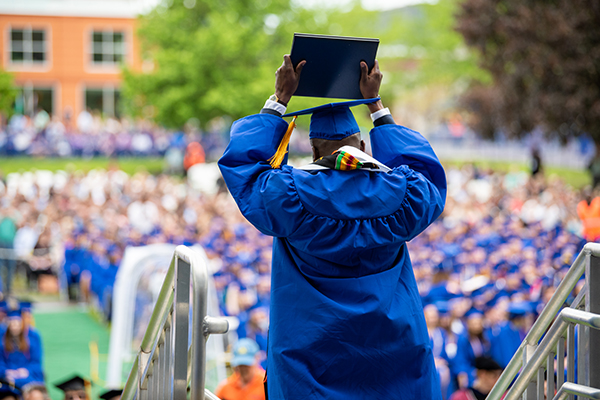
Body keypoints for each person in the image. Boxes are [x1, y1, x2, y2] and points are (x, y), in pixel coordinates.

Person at [218, 55, 447, 399]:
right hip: (392, 357)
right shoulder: (403, 194)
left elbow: (243, 167)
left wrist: (279, 99)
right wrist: (376, 106)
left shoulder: (288, 194)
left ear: (313, 151)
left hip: (310, 360)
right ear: (365, 146)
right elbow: (427, 172)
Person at [0, 307, 44, 389]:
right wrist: (6, 372)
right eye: (12, 324)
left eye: (17, 324)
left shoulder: (32, 337)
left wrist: (26, 371)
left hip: (28, 376)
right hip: (7, 378)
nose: (14, 327)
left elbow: (36, 361)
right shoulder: (2, 339)